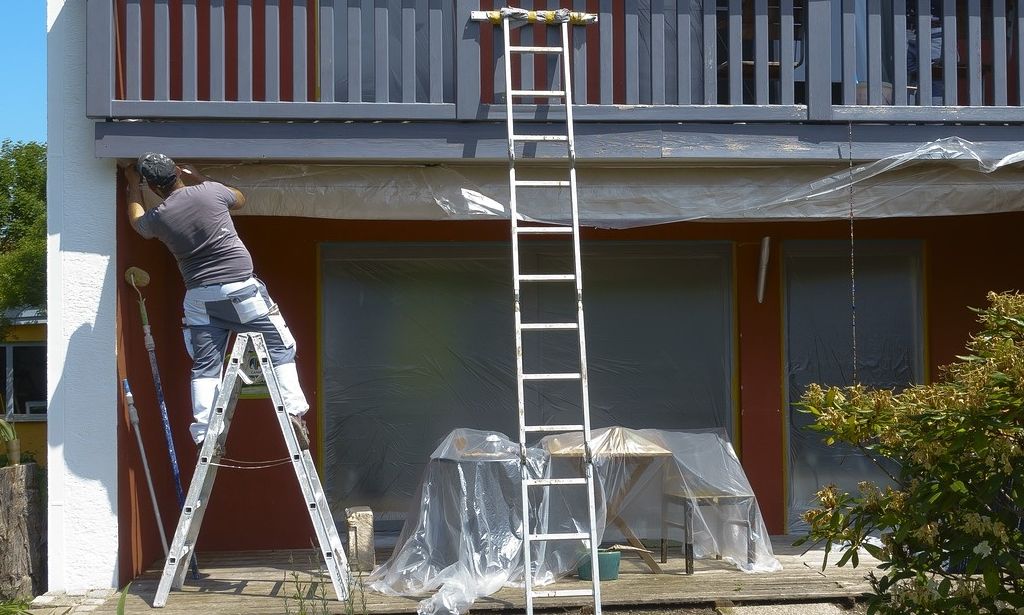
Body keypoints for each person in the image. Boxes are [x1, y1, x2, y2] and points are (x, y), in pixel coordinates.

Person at [122, 153, 311, 449]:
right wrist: (199, 177)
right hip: (241, 292)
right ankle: (294, 414)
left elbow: (137, 222)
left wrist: (133, 186)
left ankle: (205, 435)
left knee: (205, 366)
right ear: (177, 171)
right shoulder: (210, 191)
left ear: (154, 188)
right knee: (280, 348)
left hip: (200, 299)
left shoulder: (160, 217)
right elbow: (240, 198)